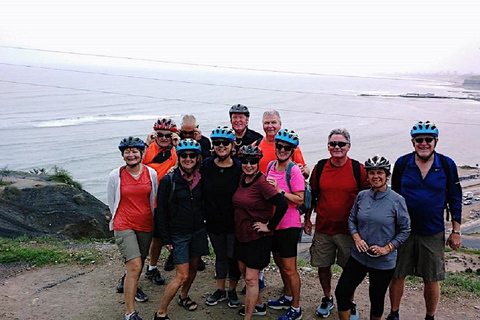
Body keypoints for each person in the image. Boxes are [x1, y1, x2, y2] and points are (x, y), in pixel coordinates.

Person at [385, 121, 463, 320]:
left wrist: (456, 230)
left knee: (431, 278)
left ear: (435, 141)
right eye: (419, 140)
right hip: (403, 231)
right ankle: (394, 313)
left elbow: (455, 197)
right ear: (413, 142)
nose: (424, 143)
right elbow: (394, 197)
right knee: (397, 274)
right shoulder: (403, 163)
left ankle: (430, 316)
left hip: (433, 231)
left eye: (429, 139)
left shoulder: (446, 164)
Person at [335, 155, 411, 320]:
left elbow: (405, 229)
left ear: (387, 175)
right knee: (342, 292)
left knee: (376, 299)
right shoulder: (362, 196)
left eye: (379, 172)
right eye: (371, 173)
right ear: (367, 176)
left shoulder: (397, 200)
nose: (375, 176)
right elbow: (352, 219)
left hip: (383, 261)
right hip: (359, 256)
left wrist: (387, 248)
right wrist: (356, 238)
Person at [304, 128, 368, 319]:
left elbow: (367, 198)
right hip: (323, 228)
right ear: (328, 146)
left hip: (350, 231)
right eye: (333, 143)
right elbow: (313, 196)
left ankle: (349, 301)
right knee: (323, 266)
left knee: (350, 270)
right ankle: (327, 297)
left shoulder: (358, 169)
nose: (337, 147)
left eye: (341, 144)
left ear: (349, 146)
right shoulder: (320, 167)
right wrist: (307, 219)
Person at [153, 139, 209, 320]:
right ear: (178, 157)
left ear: (198, 157)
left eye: (192, 155)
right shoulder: (169, 180)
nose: (188, 158)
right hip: (179, 234)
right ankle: (160, 312)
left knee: (193, 270)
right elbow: (160, 212)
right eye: (184, 155)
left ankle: (183, 296)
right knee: (181, 275)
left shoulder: (201, 179)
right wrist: (166, 239)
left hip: (198, 231)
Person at [233, 145, 288, 320]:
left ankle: (247, 317)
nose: (249, 165)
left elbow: (282, 205)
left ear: (258, 162)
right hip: (242, 234)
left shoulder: (262, 182)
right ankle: (259, 304)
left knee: (250, 278)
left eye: (253, 162)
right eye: (245, 161)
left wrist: (269, 226)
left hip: (259, 237)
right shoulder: (242, 178)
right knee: (243, 270)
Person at [107, 137, 158, 320]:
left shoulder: (151, 173)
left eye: (135, 151)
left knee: (138, 263)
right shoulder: (116, 175)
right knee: (135, 266)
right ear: (122, 155)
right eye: (127, 152)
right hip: (124, 224)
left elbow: (153, 199)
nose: (131, 154)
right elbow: (112, 201)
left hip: (145, 224)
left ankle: (131, 287)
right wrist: (115, 222)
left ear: (142, 153)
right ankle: (130, 313)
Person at [265, 129, 305, 320]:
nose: (282, 150)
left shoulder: (294, 170)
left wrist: (280, 191)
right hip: (274, 224)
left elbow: (299, 200)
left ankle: (296, 308)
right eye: (279, 146)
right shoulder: (271, 166)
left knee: (290, 269)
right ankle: (287, 296)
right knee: (281, 265)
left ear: (292, 150)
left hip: (289, 225)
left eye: (286, 148)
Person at [202, 126, 242, 308]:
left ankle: (232, 291)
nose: (221, 146)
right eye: (217, 143)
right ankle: (220, 290)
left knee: (233, 256)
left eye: (225, 143)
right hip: (213, 221)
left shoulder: (240, 168)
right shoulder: (206, 165)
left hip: (235, 222)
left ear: (232, 145)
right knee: (220, 256)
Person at [142, 118, 180, 286]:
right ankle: (133, 272)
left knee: (159, 238)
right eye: (160, 135)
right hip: (147, 202)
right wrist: (145, 142)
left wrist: (178, 144)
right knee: (143, 240)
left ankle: (153, 267)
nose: (164, 138)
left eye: (168, 135)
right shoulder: (148, 149)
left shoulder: (177, 151)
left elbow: (189, 162)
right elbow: (134, 164)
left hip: (167, 203)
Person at [255, 110, 310, 178]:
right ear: (262, 124)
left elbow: (306, 171)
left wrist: (303, 170)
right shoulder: (256, 145)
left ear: (280, 124)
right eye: (267, 123)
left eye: (273, 122)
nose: (270, 126)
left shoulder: (290, 146)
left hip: (285, 187)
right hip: (262, 187)